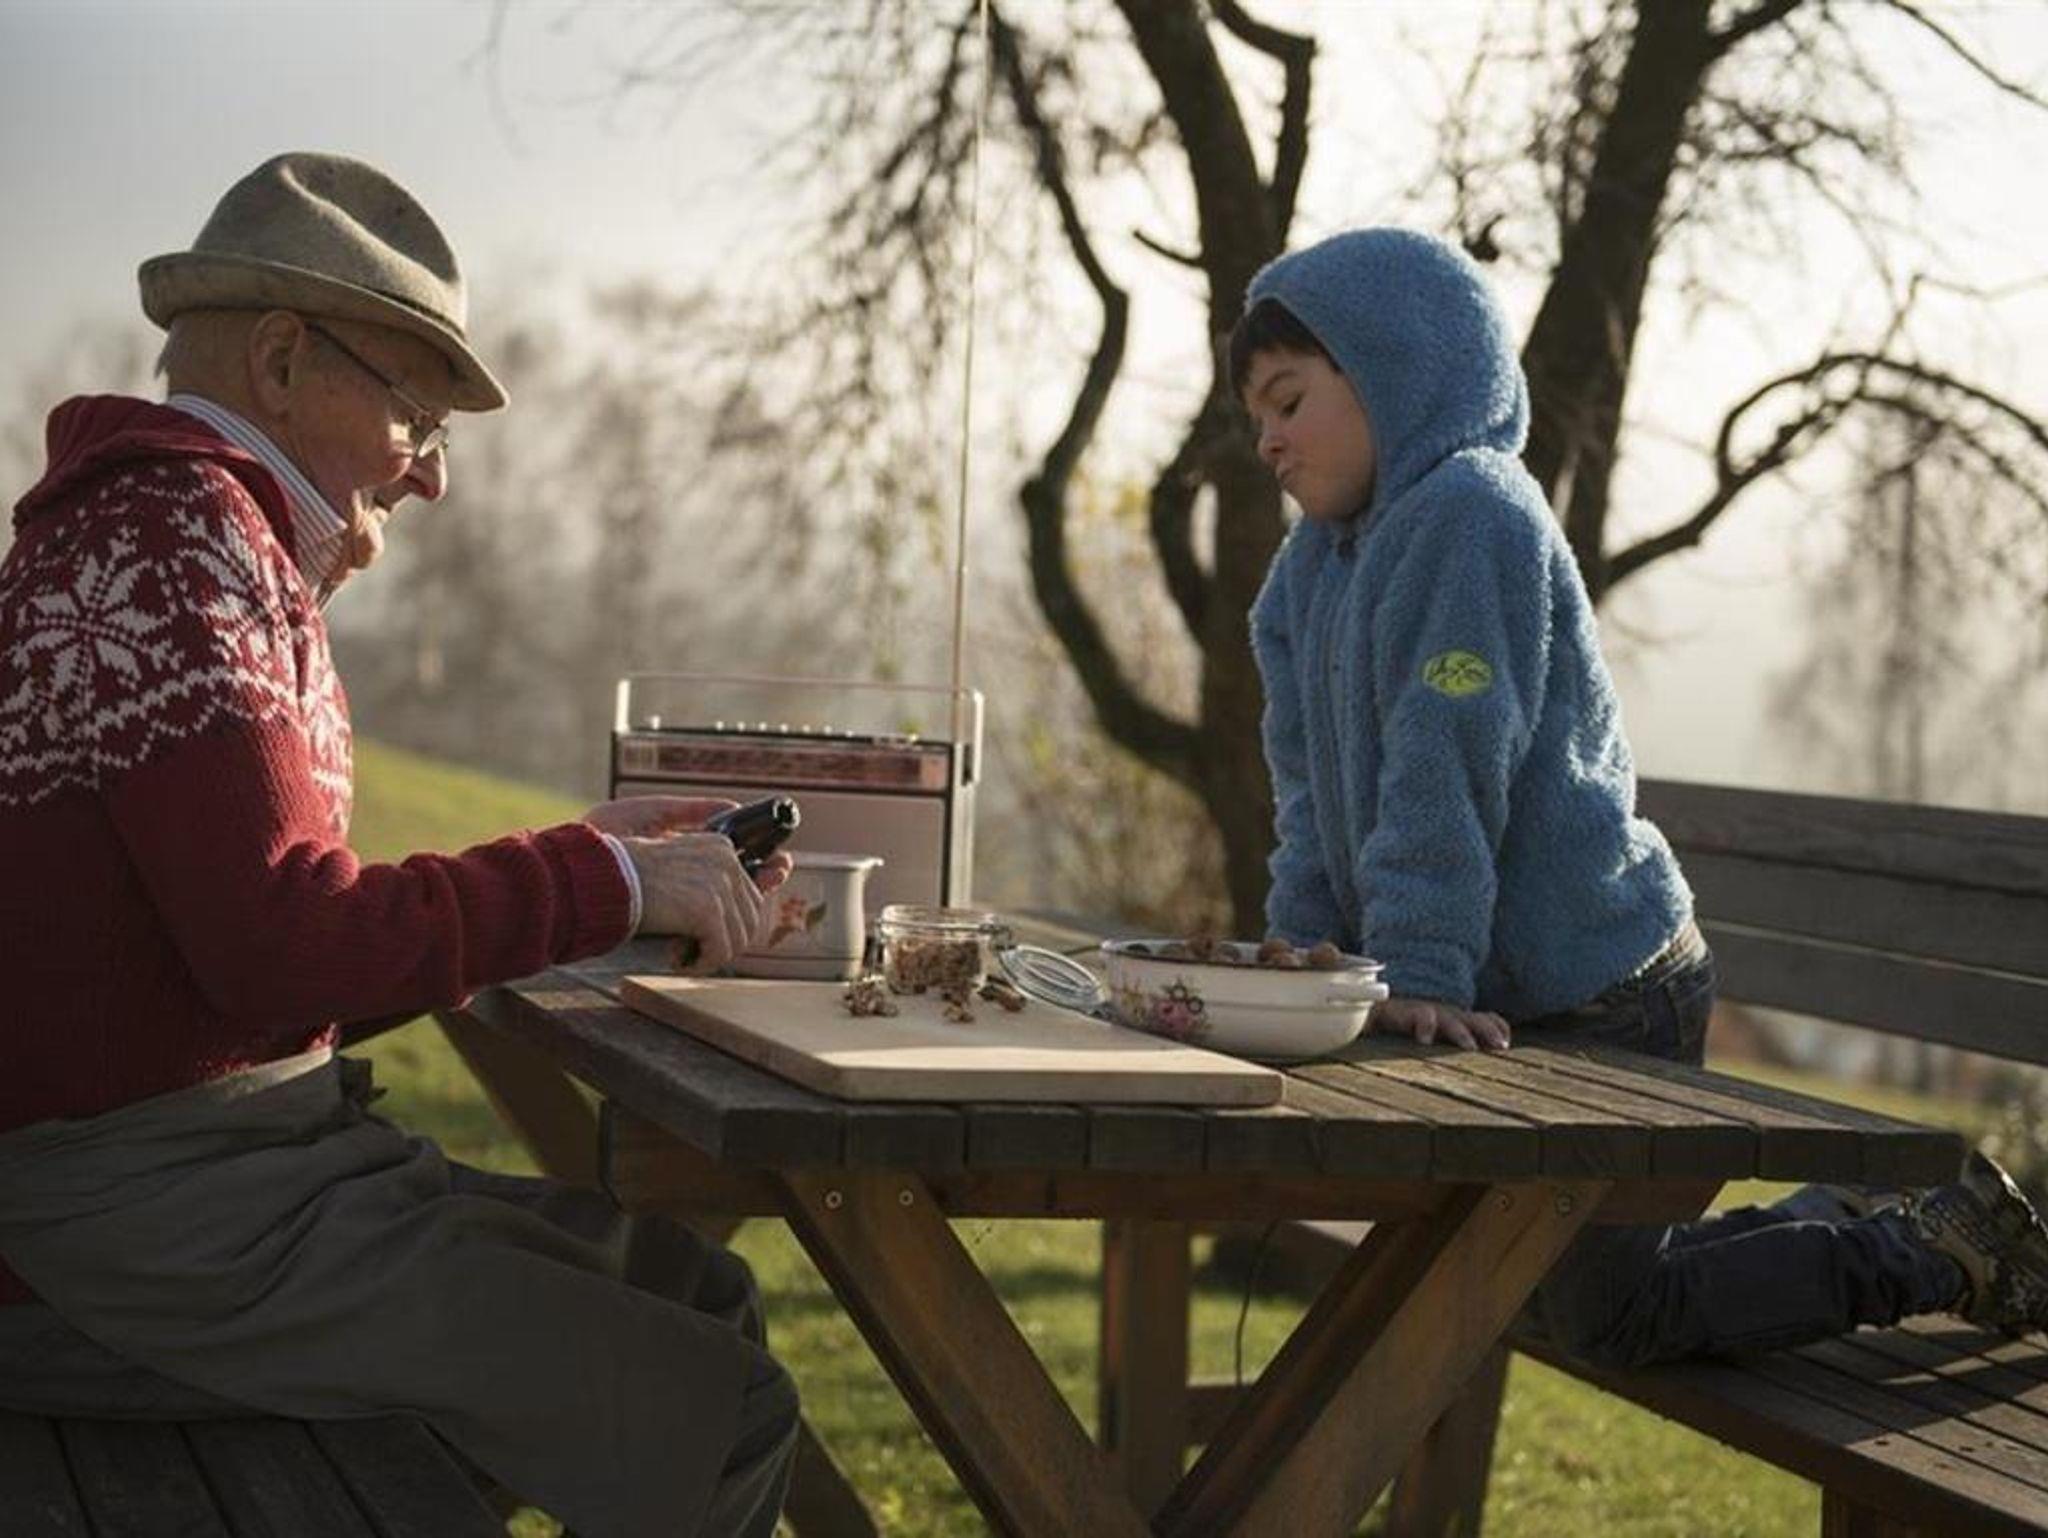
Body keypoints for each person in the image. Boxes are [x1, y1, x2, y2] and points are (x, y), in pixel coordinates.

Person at [0, 152, 799, 1537]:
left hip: (228, 1183)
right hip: (134, 1227)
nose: (429, 473)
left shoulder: (196, 537)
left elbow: (268, 966)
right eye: (414, 414)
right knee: (721, 1406)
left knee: (695, 1296)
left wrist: (588, 868)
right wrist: (602, 880)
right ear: (281, 360)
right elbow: (280, 947)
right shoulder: (172, 544)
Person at [1234, 225, 2048, 1366]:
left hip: (1608, 991)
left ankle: (1924, 1253)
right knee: (1488, 1288)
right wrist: (1299, 966)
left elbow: (1445, 757)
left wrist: (1415, 969)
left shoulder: (1468, 516)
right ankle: (1883, 1217)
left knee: (1601, 1317)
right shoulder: (1305, 578)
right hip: (1502, 999)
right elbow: (1306, 799)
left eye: (1288, 400)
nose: (1266, 439)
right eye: (1254, 417)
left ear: (1390, 368)